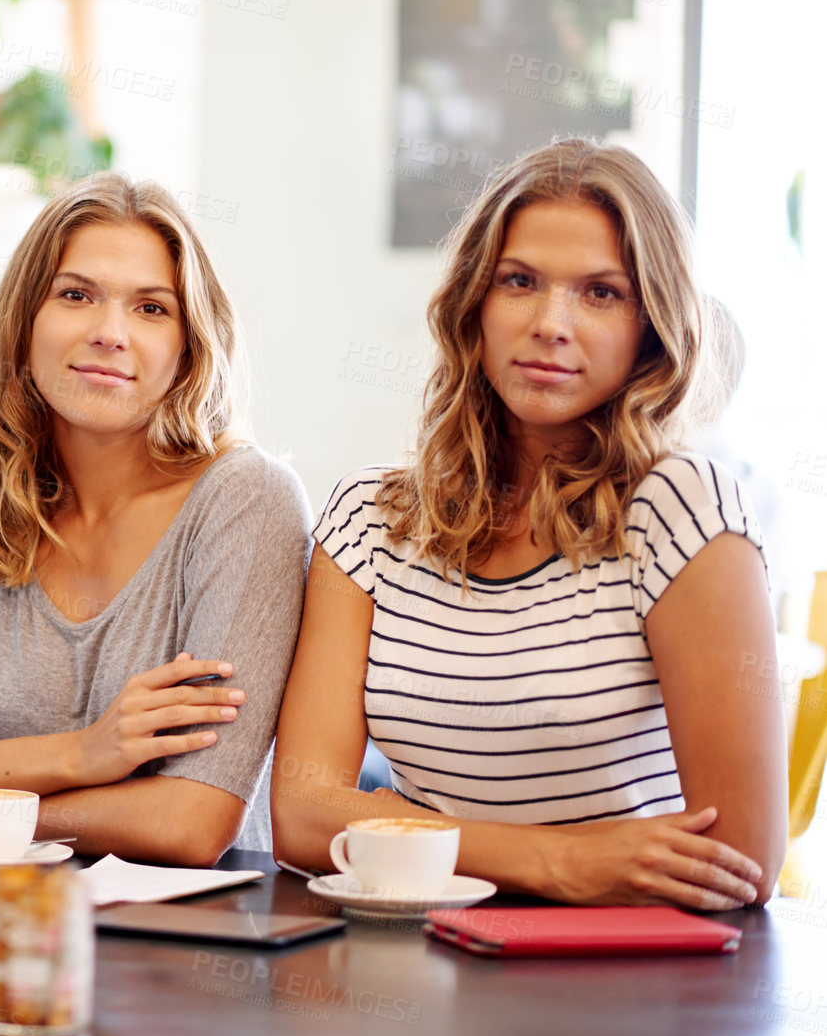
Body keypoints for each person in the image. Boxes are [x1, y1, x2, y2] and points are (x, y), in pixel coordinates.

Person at [273, 139, 789, 907]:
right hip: (415, 957)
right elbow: (304, 815)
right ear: (473, 306)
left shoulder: (683, 511)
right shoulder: (366, 521)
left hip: (626, 986)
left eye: (600, 292)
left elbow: (737, 857)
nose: (551, 322)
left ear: (650, 326)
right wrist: (558, 861)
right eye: (519, 281)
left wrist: (408, 832)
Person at [0, 173, 311, 866]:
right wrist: (85, 753)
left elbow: (190, 821)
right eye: (75, 295)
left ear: (188, 346)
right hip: (8, 928)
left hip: (189, 954)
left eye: (151, 308)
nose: (109, 333)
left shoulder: (245, 500)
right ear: (23, 323)